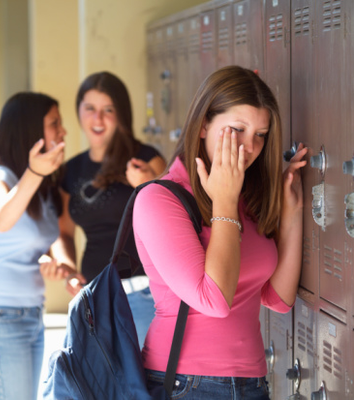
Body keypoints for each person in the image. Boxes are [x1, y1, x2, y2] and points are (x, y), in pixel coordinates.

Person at [132, 65, 308, 399]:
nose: (250, 147)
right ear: (202, 126)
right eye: (237, 129)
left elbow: (278, 299)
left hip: (252, 382)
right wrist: (224, 203)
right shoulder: (159, 199)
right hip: (186, 384)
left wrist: (292, 213)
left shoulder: (243, 196)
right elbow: (213, 300)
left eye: (260, 134)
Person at [47, 71, 166, 346]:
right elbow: (63, 232)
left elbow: (175, 223)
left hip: (142, 294)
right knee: (99, 387)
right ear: (78, 111)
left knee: (143, 386)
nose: (97, 119)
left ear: (121, 113)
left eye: (107, 110)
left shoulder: (146, 160)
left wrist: (150, 185)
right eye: (90, 108)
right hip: (91, 295)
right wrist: (68, 269)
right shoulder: (71, 170)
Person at [0, 92, 68, 400]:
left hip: (31, 314)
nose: (63, 131)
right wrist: (34, 173)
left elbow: (44, 239)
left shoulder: (45, 187)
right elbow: (2, 220)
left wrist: (52, 259)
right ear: (30, 131)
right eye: (54, 124)